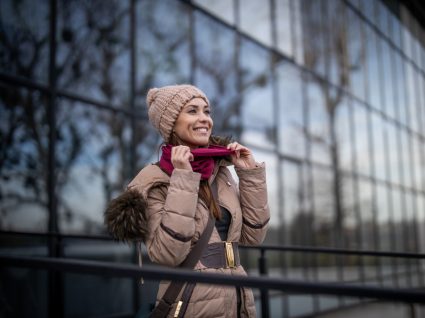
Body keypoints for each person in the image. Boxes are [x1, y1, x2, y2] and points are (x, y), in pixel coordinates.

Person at [105, 84, 270, 317]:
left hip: (238, 296)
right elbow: (168, 254)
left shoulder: (219, 169)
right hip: (191, 301)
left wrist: (249, 173)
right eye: (192, 111)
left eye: (207, 111)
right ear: (171, 123)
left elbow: (253, 237)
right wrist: (183, 178)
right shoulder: (152, 181)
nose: (204, 119)